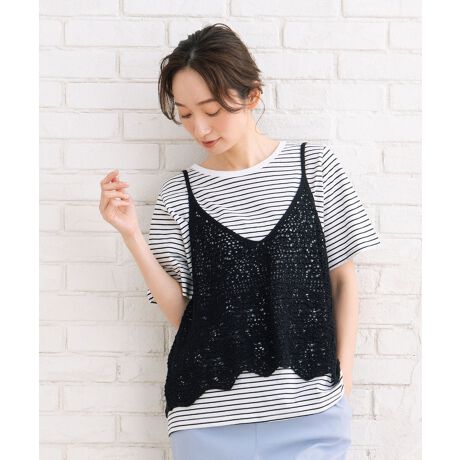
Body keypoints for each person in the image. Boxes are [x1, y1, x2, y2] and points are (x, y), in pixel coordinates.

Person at [99, 23, 381, 460]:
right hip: (206, 421)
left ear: (252, 96)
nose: (199, 127)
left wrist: (343, 379)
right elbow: (182, 314)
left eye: (212, 110)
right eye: (185, 114)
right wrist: (132, 235)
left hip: (311, 414)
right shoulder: (179, 196)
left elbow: (344, 279)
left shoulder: (315, 168)